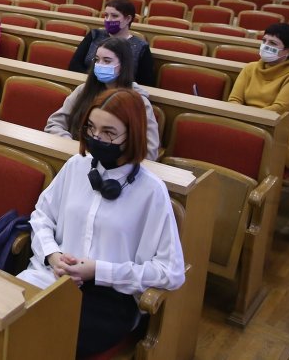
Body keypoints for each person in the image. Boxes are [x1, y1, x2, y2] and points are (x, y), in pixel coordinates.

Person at [18, 88, 185, 358]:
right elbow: (41, 216)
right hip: (50, 277)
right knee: (3, 321)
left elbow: (171, 272)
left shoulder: (151, 191)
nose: (97, 138)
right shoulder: (77, 166)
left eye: (109, 132)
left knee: (42, 341)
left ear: (132, 135)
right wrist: (52, 254)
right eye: (91, 128)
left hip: (109, 300)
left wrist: (100, 270)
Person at [45, 37, 160, 161]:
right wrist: (74, 147)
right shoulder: (83, 90)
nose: (100, 65)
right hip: (77, 157)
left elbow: (149, 151)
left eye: (107, 61)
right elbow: (54, 124)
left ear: (123, 65)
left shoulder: (139, 102)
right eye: (97, 60)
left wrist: (113, 159)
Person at [228, 23, 289, 169]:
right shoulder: (250, 68)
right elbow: (234, 100)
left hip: (280, 140)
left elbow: (277, 111)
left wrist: (243, 123)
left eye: (273, 43)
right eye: (264, 41)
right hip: (245, 128)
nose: (265, 46)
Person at [69, 0, 155, 86]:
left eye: (114, 16)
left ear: (128, 19)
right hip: (88, 85)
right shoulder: (94, 35)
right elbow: (74, 65)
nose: (108, 20)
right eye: (106, 15)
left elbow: (146, 82)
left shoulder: (141, 46)